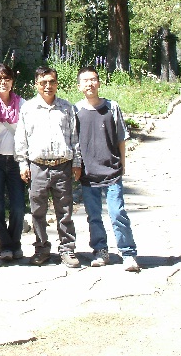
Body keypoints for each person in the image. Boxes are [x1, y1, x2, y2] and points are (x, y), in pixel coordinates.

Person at [75, 66, 141, 272]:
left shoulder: (112, 107)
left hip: (112, 171)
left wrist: (123, 164)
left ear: (99, 82)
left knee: (117, 213)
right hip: (88, 174)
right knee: (94, 216)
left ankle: (128, 253)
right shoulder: (76, 111)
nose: (90, 84)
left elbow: (121, 138)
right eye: (85, 81)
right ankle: (100, 251)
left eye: (93, 79)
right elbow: (74, 142)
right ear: (79, 86)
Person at [15, 67, 81, 267]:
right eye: (43, 82)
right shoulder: (28, 108)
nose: (48, 86)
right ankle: (42, 249)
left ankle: (67, 249)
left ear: (57, 83)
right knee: (38, 211)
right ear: (36, 84)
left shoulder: (66, 108)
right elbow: (21, 138)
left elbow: (75, 138)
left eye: (51, 82)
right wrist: (22, 163)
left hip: (62, 166)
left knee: (65, 210)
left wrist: (76, 163)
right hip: (38, 167)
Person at [0, 63, 26, 262]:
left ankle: (15, 243)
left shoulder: (23, 104)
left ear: (12, 81)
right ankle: (5, 246)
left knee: (18, 206)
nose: (3, 82)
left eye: (6, 78)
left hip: (17, 161)